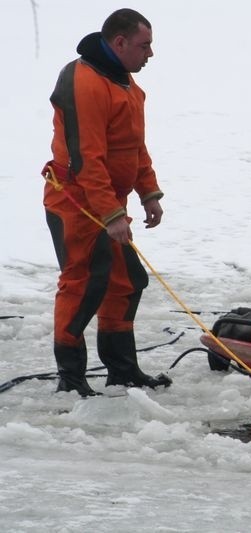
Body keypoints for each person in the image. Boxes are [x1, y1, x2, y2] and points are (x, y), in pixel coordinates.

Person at [42, 8, 171, 396]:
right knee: (83, 283)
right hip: (77, 201)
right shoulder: (84, 82)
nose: (150, 53)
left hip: (106, 200)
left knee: (126, 280)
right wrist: (112, 213)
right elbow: (86, 159)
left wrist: (148, 191)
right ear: (119, 43)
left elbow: (134, 147)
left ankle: (122, 369)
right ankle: (71, 378)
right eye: (144, 45)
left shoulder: (127, 84)